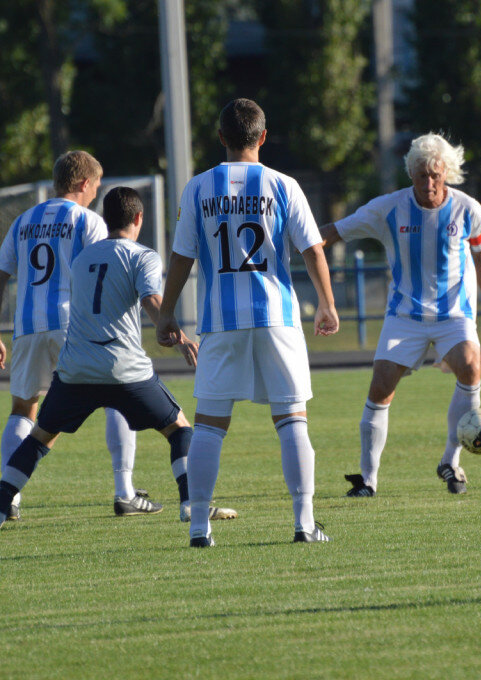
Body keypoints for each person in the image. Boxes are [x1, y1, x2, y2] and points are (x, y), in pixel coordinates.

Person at [156, 98, 339, 548]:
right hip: (277, 317)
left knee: (210, 425)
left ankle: (200, 528)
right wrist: (328, 304)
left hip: (221, 322)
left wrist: (166, 313)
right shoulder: (283, 185)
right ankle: (304, 524)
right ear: (262, 136)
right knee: (293, 419)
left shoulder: (198, 188)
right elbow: (313, 249)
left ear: (221, 139)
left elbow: (182, 256)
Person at [0, 187, 211, 531]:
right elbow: (152, 301)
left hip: (76, 369)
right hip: (123, 367)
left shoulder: (83, 259)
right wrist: (176, 335)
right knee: (179, 429)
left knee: (38, 435)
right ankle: (188, 504)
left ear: (106, 218)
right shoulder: (142, 256)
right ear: (138, 218)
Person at [320, 133, 481, 497]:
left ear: (447, 172)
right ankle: (368, 480)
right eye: (422, 175)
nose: (430, 183)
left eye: (436, 174)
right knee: (381, 386)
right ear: (411, 175)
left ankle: (451, 462)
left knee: (470, 364)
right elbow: (333, 233)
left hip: (454, 314)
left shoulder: (469, 210)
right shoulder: (389, 208)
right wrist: (295, 241)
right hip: (404, 314)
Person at [0, 150, 163, 519]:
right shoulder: (88, 221)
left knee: (23, 408)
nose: (97, 192)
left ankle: (11, 499)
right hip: (74, 326)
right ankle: (124, 491)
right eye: (96, 185)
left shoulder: (23, 220)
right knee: (116, 398)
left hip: (28, 326)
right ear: (84, 183)